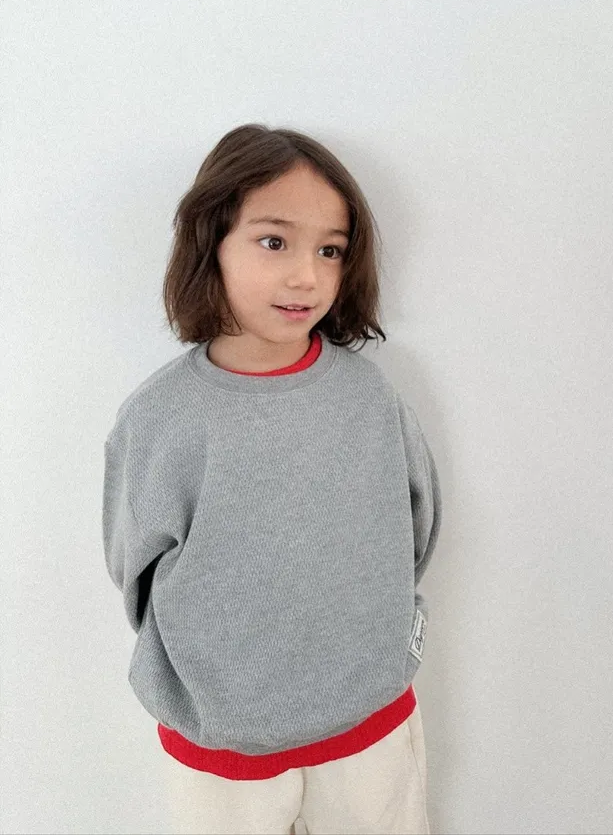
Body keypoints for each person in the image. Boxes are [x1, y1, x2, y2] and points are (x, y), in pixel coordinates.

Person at [102, 123, 443, 835]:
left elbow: (418, 527)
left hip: (370, 723)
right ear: (211, 243)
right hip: (221, 742)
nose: (306, 276)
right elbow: (134, 569)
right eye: (273, 241)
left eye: (330, 250)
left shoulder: (369, 398)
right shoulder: (162, 417)